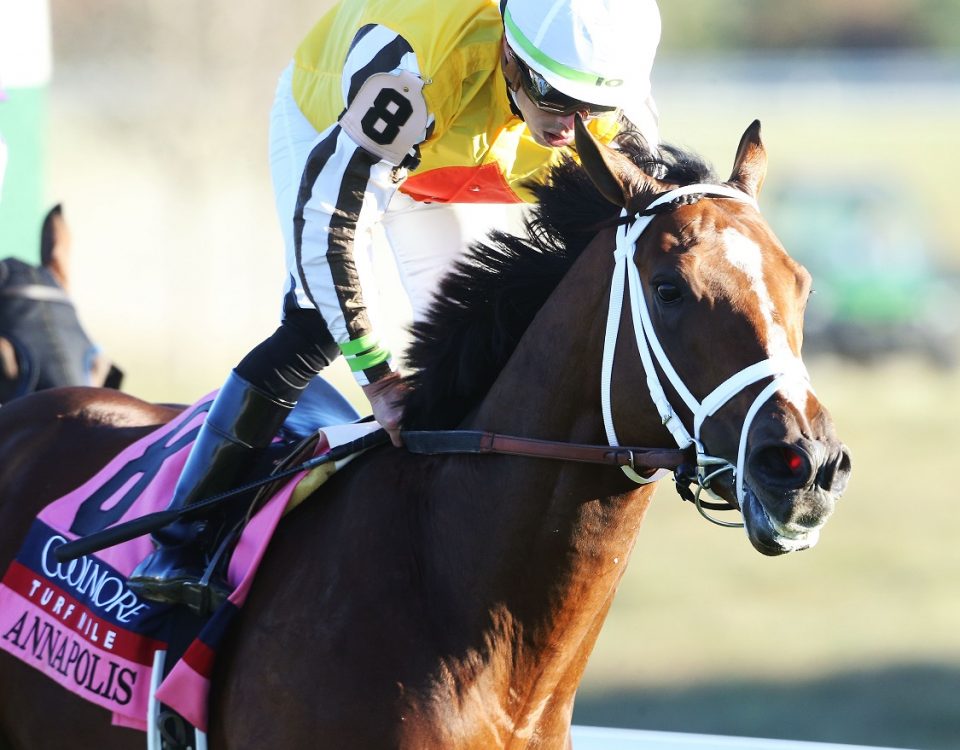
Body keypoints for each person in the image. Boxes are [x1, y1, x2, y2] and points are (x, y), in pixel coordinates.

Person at [128, 0, 662, 610]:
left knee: (488, 345)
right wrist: (378, 378)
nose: (571, 127)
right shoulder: (417, 65)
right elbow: (328, 227)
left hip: (450, 163)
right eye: (553, 95)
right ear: (511, 53)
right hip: (335, 124)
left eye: (592, 107)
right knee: (317, 325)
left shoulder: (616, 100)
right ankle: (183, 537)